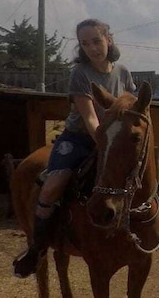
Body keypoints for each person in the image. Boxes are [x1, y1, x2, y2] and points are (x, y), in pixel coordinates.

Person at [13, 18, 136, 278]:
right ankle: (37, 248)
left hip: (111, 139)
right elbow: (90, 118)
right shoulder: (80, 73)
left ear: (108, 40)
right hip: (79, 139)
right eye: (85, 43)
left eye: (96, 41)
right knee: (52, 186)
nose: (92, 48)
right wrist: (105, 144)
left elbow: (132, 110)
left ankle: (144, 233)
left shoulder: (123, 72)